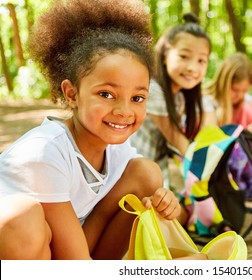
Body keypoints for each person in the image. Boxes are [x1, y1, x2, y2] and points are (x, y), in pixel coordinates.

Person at [0, 0, 206, 260]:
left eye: (137, 98)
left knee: (146, 173)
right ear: (71, 93)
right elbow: (78, 264)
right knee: (23, 217)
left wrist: (165, 203)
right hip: (30, 253)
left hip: (71, 255)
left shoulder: (118, 150)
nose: (124, 110)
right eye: (106, 94)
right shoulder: (42, 154)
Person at [129, 13, 212, 190]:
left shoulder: (180, 97)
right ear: (165, 55)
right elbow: (177, 140)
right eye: (184, 56)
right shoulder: (152, 90)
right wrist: (210, 172)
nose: (193, 68)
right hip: (130, 171)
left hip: (155, 168)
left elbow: (205, 131)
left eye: (201, 60)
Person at [203, 52, 252, 134]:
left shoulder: (245, 98)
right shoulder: (208, 101)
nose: (240, 95)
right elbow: (212, 134)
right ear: (223, 83)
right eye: (235, 90)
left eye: (244, 90)